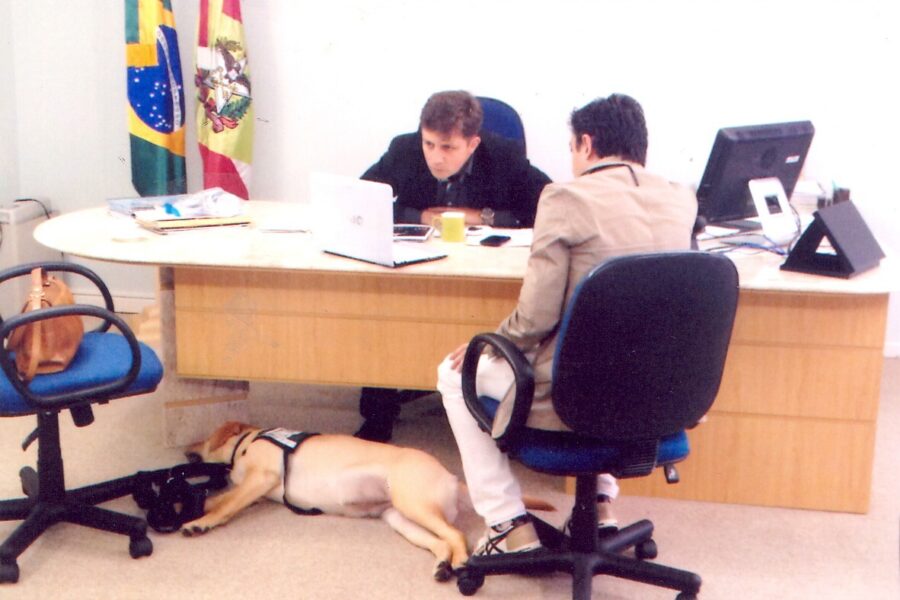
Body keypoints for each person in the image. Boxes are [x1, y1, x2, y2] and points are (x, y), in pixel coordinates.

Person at [437, 93, 698, 556]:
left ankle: (506, 523)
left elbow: (534, 319)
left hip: (576, 395)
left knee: (454, 373)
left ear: (586, 143)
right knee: (610, 349)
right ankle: (599, 505)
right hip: (657, 392)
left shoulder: (565, 196)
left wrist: (490, 343)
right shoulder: (681, 198)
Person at [355, 90, 552, 442]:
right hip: (415, 269)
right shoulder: (404, 149)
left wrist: (484, 217)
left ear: (473, 143)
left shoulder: (503, 155)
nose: (436, 157)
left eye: (448, 148)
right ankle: (379, 414)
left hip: (483, 271)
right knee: (382, 307)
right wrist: (419, 215)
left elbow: (549, 206)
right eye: (429, 144)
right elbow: (363, 201)